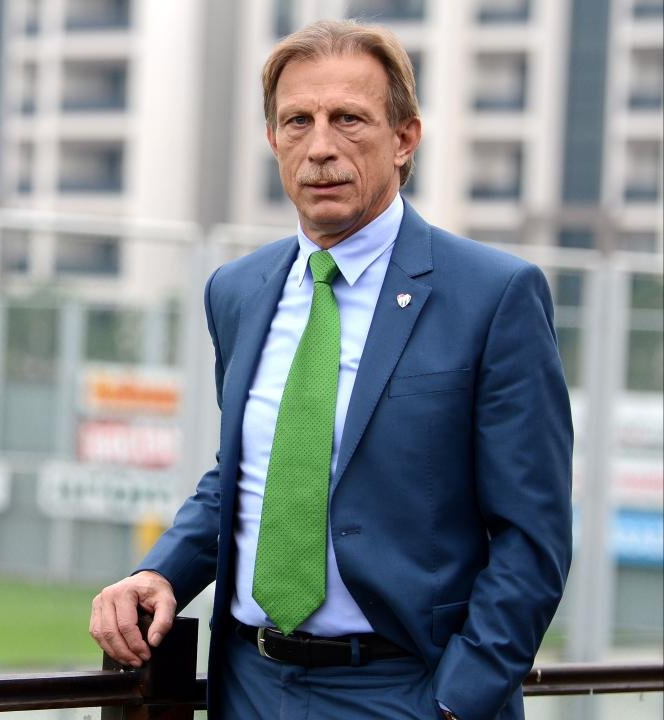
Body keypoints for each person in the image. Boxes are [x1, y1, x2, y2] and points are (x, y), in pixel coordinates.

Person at [89, 19, 572, 720]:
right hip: (248, 687)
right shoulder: (237, 290)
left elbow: (533, 535)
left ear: (404, 139)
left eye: (348, 119)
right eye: (298, 121)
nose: (320, 147)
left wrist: (456, 703)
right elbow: (247, 475)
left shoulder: (493, 296)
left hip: (405, 691)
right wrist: (160, 570)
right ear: (272, 139)